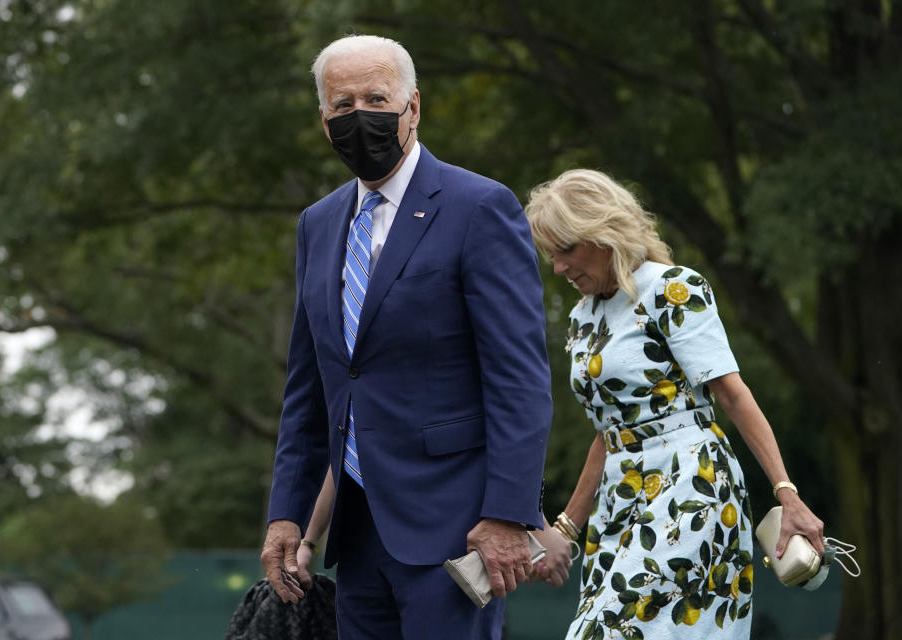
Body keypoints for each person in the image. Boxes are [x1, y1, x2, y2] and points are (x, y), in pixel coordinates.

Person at [260, 34, 553, 640]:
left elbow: (519, 379)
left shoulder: (479, 207)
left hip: (456, 530)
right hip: (357, 532)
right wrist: (286, 516)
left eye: (376, 97)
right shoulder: (317, 224)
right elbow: (309, 387)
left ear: (413, 107)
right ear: (323, 120)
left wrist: (507, 515)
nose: (359, 116)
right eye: (343, 106)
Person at [523, 169, 825, 638]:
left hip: (691, 486)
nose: (558, 268)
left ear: (602, 235)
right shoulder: (583, 317)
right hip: (620, 500)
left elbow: (732, 394)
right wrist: (566, 529)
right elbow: (609, 432)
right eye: (551, 255)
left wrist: (789, 495)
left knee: (610, 630)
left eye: (566, 250)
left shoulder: (672, 289)